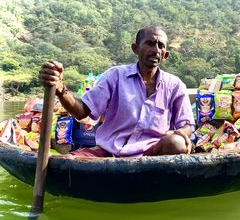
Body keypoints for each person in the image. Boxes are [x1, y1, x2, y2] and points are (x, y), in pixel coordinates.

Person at [40, 26, 195, 158]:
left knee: (176, 143)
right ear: (135, 49)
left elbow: (187, 125)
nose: (155, 50)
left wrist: (179, 134)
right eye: (149, 43)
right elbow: (82, 112)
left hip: (152, 152)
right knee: (66, 163)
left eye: (161, 46)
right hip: (109, 151)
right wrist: (60, 89)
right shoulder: (115, 76)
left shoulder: (175, 86)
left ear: (165, 55)